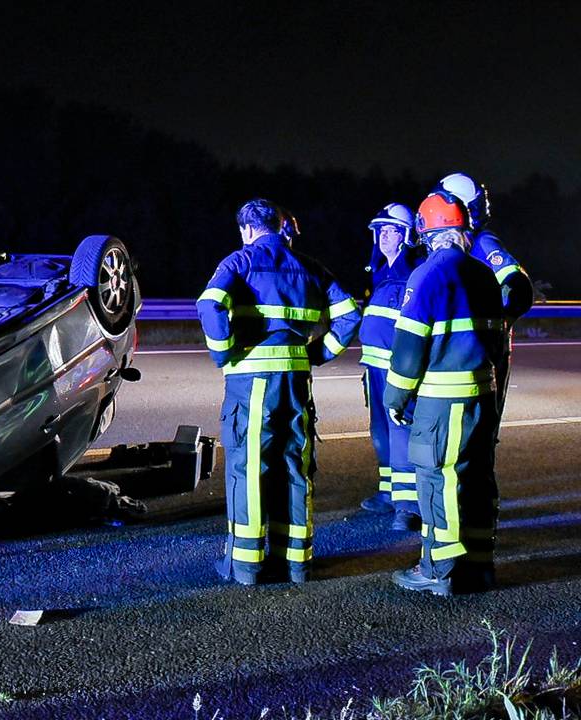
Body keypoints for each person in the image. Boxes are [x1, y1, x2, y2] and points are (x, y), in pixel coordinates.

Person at [198, 199, 362, 585]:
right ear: (279, 226)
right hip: (296, 381)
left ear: (246, 230)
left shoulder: (238, 262)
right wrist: (317, 354)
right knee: (294, 464)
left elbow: (209, 305)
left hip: (252, 382)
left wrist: (224, 353)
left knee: (249, 467)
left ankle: (247, 565)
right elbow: (351, 313)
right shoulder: (309, 266)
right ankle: (297, 562)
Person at [385, 191, 503, 596]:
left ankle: (440, 569)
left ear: (425, 230)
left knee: (438, 480)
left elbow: (408, 350)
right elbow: (497, 341)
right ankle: (479, 565)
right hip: (482, 396)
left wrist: (395, 398)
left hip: (441, 401)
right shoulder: (483, 273)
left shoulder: (427, 275)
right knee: (477, 479)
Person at [437, 173, 532, 421]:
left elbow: (519, 288)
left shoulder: (481, 242)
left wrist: (500, 324)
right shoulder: (453, 247)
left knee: (481, 427)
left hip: (483, 353)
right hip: (460, 353)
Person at [357, 203, 425, 530]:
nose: (384, 236)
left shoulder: (413, 270)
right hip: (374, 368)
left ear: (406, 235)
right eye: (380, 230)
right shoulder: (381, 271)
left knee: (401, 433)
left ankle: (407, 507)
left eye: (391, 230)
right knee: (381, 433)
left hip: (397, 369)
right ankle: (388, 493)